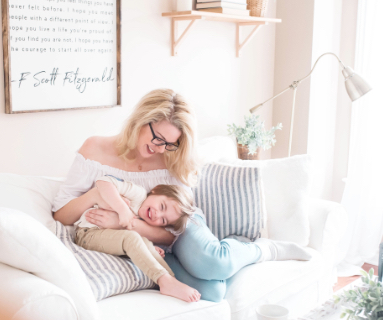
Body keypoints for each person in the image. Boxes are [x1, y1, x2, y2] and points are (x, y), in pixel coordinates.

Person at [53, 88, 311, 302]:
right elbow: (61, 214)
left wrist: (129, 222)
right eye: (157, 138)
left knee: (213, 263)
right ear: (141, 121)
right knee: (212, 292)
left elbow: (171, 231)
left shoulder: (170, 158)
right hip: (144, 238)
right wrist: (98, 195)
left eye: (169, 144)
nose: (159, 148)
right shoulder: (95, 149)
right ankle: (228, 251)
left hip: (178, 221)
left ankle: (261, 250)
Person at [73, 174, 200, 302]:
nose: (158, 214)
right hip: (88, 233)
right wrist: (123, 210)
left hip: (107, 237)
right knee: (132, 238)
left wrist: (147, 248)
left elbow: (124, 238)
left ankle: (170, 280)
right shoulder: (138, 194)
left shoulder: (144, 220)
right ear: (156, 190)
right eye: (162, 206)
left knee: (145, 242)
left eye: (163, 220)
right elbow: (103, 181)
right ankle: (164, 281)